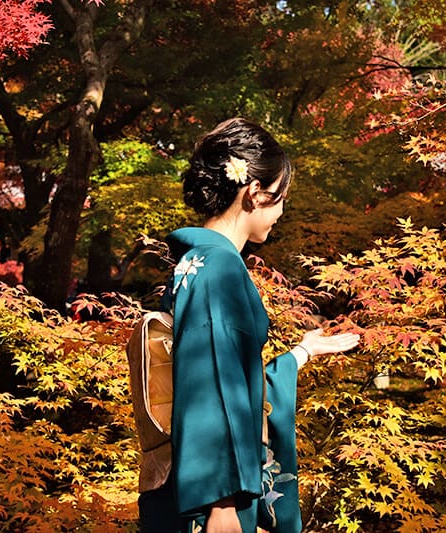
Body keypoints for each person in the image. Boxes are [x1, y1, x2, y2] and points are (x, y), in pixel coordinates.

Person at [139, 118, 359, 533]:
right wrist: (222, 505)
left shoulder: (198, 262)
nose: (280, 212)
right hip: (212, 501)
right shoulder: (218, 265)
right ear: (255, 192)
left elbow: (235, 382)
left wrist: (301, 353)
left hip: (199, 484)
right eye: (280, 198)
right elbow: (212, 385)